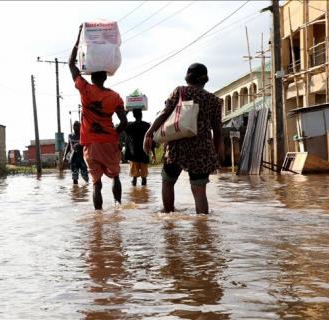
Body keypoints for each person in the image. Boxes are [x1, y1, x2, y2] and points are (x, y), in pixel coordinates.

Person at [143, 63, 223, 214]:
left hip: (177, 148)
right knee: (199, 191)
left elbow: (164, 114)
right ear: (205, 79)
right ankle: (202, 229)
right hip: (202, 151)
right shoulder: (214, 100)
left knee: (168, 182)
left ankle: (169, 218)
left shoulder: (180, 91)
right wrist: (216, 154)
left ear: (188, 78)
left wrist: (149, 133)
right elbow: (218, 131)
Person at [69, 25, 128, 210]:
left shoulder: (85, 90)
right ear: (105, 78)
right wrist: (113, 134)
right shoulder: (115, 97)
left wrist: (79, 36)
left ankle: (98, 217)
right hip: (109, 141)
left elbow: (71, 64)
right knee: (116, 176)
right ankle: (118, 208)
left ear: (92, 77)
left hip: (91, 144)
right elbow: (124, 122)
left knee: (96, 183)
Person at [124, 109, 156, 186]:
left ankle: (134, 195)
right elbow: (151, 140)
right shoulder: (147, 125)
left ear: (134, 116)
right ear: (141, 115)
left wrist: (125, 113)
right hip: (143, 154)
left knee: (134, 178)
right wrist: (153, 154)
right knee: (144, 178)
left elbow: (123, 122)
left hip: (133, 155)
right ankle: (144, 195)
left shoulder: (130, 126)